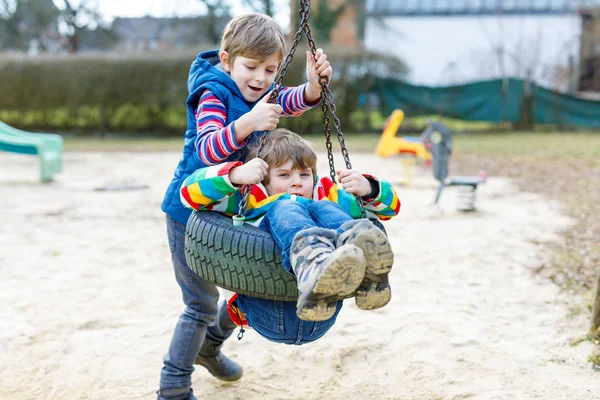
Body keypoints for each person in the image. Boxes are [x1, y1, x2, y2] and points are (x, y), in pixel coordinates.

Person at [158, 12, 333, 400]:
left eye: (270, 70)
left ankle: (209, 347)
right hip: (189, 215)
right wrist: (249, 124)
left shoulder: (259, 93)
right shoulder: (213, 92)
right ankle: (173, 385)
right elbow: (207, 148)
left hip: (228, 215)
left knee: (247, 287)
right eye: (251, 67)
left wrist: (312, 85)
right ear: (226, 60)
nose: (260, 78)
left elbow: (288, 100)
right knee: (201, 305)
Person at [180, 128, 401, 344]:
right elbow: (188, 194)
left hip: (324, 313)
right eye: (284, 175)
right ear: (262, 180)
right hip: (268, 312)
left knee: (328, 209)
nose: (296, 182)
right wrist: (235, 175)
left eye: (304, 174)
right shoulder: (248, 198)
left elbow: (390, 209)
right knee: (286, 206)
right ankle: (313, 263)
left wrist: (370, 188)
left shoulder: (327, 195)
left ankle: (369, 279)